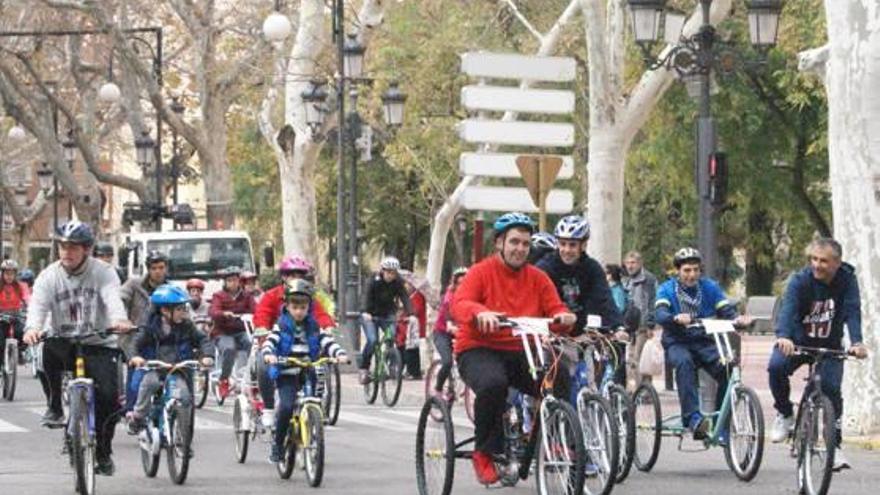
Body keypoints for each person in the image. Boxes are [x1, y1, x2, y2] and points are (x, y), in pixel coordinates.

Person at [451, 212, 576, 485]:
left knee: (559, 376)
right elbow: (460, 303)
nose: (520, 249)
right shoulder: (480, 272)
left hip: (521, 349)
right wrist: (479, 313)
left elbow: (555, 309)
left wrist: (564, 317)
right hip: (478, 348)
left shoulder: (538, 277)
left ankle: (552, 439)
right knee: (494, 383)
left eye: (525, 244)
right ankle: (484, 452)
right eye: (514, 242)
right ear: (499, 243)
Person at [22, 221, 133, 476]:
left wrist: (119, 320)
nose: (66, 252)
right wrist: (32, 328)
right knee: (45, 350)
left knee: (109, 400)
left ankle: (103, 451)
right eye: (62, 246)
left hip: (99, 342)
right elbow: (38, 305)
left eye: (73, 247)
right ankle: (55, 407)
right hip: (64, 340)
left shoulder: (103, 272)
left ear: (86, 249)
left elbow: (112, 298)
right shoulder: (49, 276)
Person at [767, 238, 868, 470]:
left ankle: (835, 447)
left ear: (836, 262)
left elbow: (853, 311)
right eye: (813, 259)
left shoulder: (847, 280)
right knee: (776, 367)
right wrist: (783, 336)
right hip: (795, 342)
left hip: (829, 345)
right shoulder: (800, 281)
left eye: (823, 261)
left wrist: (857, 342)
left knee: (831, 390)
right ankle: (784, 414)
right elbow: (788, 309)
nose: (817, 265)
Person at [654, 247, 748, 440]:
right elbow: (660, 313)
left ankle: (722, 424)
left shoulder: (709, 287)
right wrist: (675, 318)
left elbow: (726, 310)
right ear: (678, 271)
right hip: (677, 342)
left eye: (696, 270)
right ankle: (693, 419)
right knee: (684, 363)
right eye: (687, 270)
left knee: (728, 368)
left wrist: (738, 320)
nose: (692, 274)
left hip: (704, 342)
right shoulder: (666, 289)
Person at [261, 279, 349, 463]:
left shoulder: (314, 326)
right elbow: (271, 341)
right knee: (286, 406)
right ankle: (278, 445)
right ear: (287, 306)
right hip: (287, 371)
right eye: (295, 307)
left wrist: (339, 354)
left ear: (309, 307)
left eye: (303, 307)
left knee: (315, 399)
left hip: (308, 369)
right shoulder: (282, 326)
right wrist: (269, 354)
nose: (299, 311)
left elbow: (328, 342)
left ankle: (313, 426)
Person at [126, 285, 214, 434]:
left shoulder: (187, 326)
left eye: (183, 309)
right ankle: (138, 417)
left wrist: (207, 356)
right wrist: (135, 357)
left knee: (185, 398)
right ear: (165, 311)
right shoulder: (150, 327)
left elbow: (203, 340)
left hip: (177, 370)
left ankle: (183, 438)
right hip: (155, 369)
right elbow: (135, 342)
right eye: (179, 309)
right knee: (149, 383)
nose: (183, 313)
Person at [536, 215, 625, 336]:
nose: (567, 250)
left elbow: (604, 300)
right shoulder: (545, 267)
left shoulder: (592, 268)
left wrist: (618, 328)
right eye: (562, 244)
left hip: (585, 334)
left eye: (572, 245)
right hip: (552, 334)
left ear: (583, 245)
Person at [120, 249, 168, 413]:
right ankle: (131, 411)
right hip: (137, 336)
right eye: (154, 268)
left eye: (161, 267)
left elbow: (183, 309)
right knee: (136, 374)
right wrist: (122, 319)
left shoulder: (170, 288)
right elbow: (120, 299)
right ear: (148, 269)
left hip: (163, 339)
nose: (158, 271)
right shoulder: (134, 285)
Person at [359, 256, 415, 385]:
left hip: (387, 314)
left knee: (392, 335)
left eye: (393, 273)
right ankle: (364, 368)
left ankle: (392, 364)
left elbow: (405, 297)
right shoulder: (373, 280)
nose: (391, 275)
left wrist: (411, 314)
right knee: (373, 341)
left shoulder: (398, 282)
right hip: (370, 314)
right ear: (382, 271)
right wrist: (365, 311)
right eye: (388, 272)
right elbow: (365, 296)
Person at [209, 266, 256, 398]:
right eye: (229, 280)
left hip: (241, 331)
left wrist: (254, 316)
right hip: (223, 332)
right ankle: (224, 380)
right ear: (225, 282)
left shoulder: (247, 296)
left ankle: (252, 377)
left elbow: (256, 310)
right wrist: (223, 313)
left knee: (253, 344)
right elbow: (213, 311)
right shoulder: (218, 296)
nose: (233, 283)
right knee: (229, 349)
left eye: (235, 280)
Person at [622, 250, 658, 386]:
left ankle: (644, 389)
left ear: (640, 263)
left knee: (642, 358)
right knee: (631, 359)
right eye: (628, 263)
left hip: (642, 325)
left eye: (633, 263)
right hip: (629, 325)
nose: (630, 266)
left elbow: (653, 301)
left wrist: (651, 324)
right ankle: (637, 388)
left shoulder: (648, 279)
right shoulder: (626, 280)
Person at [431, 266, 467, 400]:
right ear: (454, 283)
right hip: (442, 333)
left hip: (461, 332)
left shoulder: (471, 296)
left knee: (471, 359)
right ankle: (438, 389)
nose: (462, 286)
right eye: (459, 283)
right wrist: (450, 324)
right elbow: (447, 312)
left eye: (466, 283)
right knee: (447, 362)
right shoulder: (449, 296)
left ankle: (466, 385)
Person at [397, 275, 426, 380]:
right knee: (405, 347)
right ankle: (405, 369)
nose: (406, 287)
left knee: (412, 349)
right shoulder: (408, 296)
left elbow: (417, 310)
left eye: (408, 284)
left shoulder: (417, 295)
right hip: (405, 327)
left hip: (413, 327)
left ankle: (413, 371)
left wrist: (406, 316)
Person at [0, 260, 29, 364]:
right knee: (1, 342)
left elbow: (27, 297)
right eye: (7, 274)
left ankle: (20, 352)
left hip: (16, 316)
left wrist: (29, 307)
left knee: (22, 333)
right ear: (2, 274)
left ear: (15, 275)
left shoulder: (21, 286)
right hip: (1, 317)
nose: (9, 276)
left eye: (12, 274)